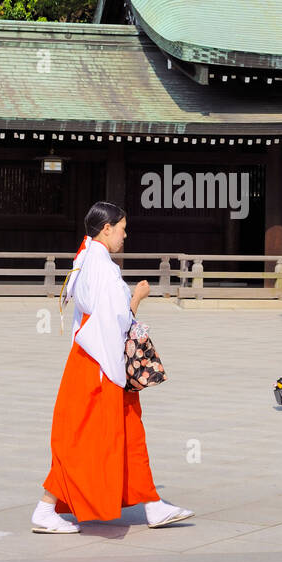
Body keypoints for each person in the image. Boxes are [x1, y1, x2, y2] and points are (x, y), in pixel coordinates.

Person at [31, 201, 194, 533]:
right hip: (99, 363)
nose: (125, 234)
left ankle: (152, 503)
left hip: (93, 358)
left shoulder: (88, 258)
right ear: (106, 229)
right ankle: (46, 507)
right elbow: (116, 318)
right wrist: (137, 297)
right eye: (121, 228)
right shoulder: (103, 267)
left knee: (129, 430)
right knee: (84, 437)